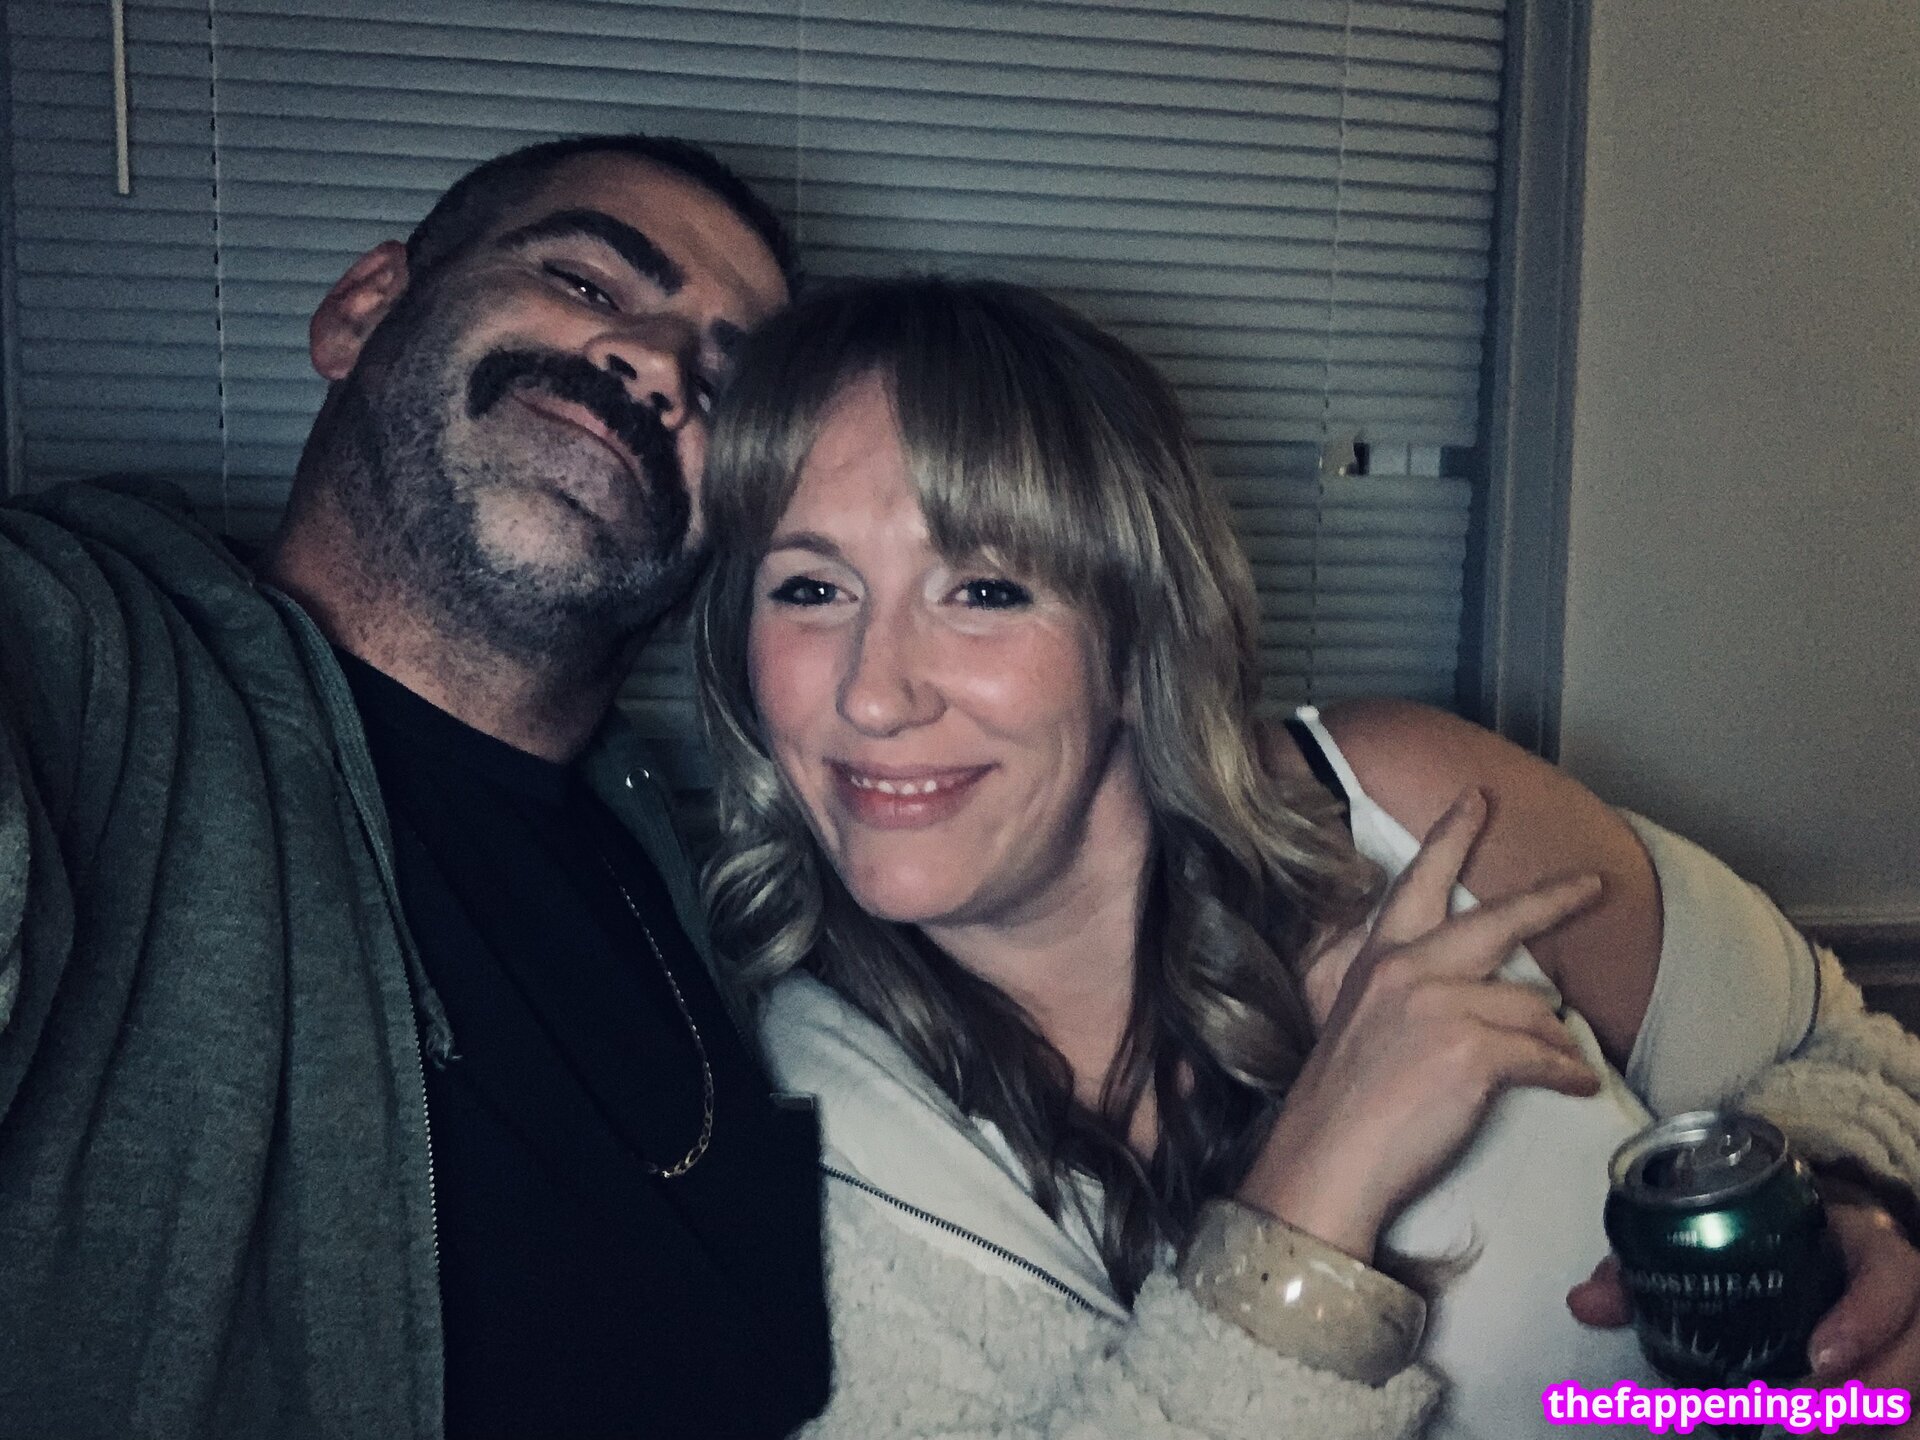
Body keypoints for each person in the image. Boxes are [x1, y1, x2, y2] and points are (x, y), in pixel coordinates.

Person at [693, 275, 1920, 1437]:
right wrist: (1317, 1186)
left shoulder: (1413, 807)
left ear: (1139, 637)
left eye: (984, 592)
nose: (874, 693)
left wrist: (1840, 1206)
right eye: (810, 590)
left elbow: (1834, 1048)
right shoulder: (788, 1123)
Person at [0, 135, 832, 1439]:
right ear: (363, 309)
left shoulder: (719, 886)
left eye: (724, 387)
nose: (658, 367)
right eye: (587, 281)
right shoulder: (85, 669)